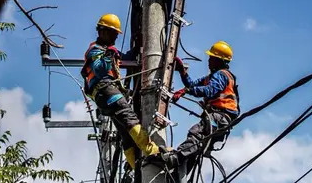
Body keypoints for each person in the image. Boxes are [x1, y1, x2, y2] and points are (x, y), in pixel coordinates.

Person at [81, 13, 164, 170]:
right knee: (130, 118)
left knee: (125, 133)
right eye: (113, 34)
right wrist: (108, 55)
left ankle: (135, 165)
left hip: (105, 97)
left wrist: (138, 46)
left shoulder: (109, 50)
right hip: (106, 91)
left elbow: (124, 57)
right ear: (103, 31)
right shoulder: (95, 50)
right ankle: (152, 151)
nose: (115, 38)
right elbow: (99, 70)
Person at [159, 40, 239, 171]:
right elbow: (193, 85)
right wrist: (182, 73)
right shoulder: (211, 77)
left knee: (195, 133)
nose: (208, 61)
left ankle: (174, 158)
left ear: (220, 61)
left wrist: (187, 91)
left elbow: (210, 90)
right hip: (220, 120)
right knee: (194, 151)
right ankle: (175, 176)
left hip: (220, 116)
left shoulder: (221, 75)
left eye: (212, 58)